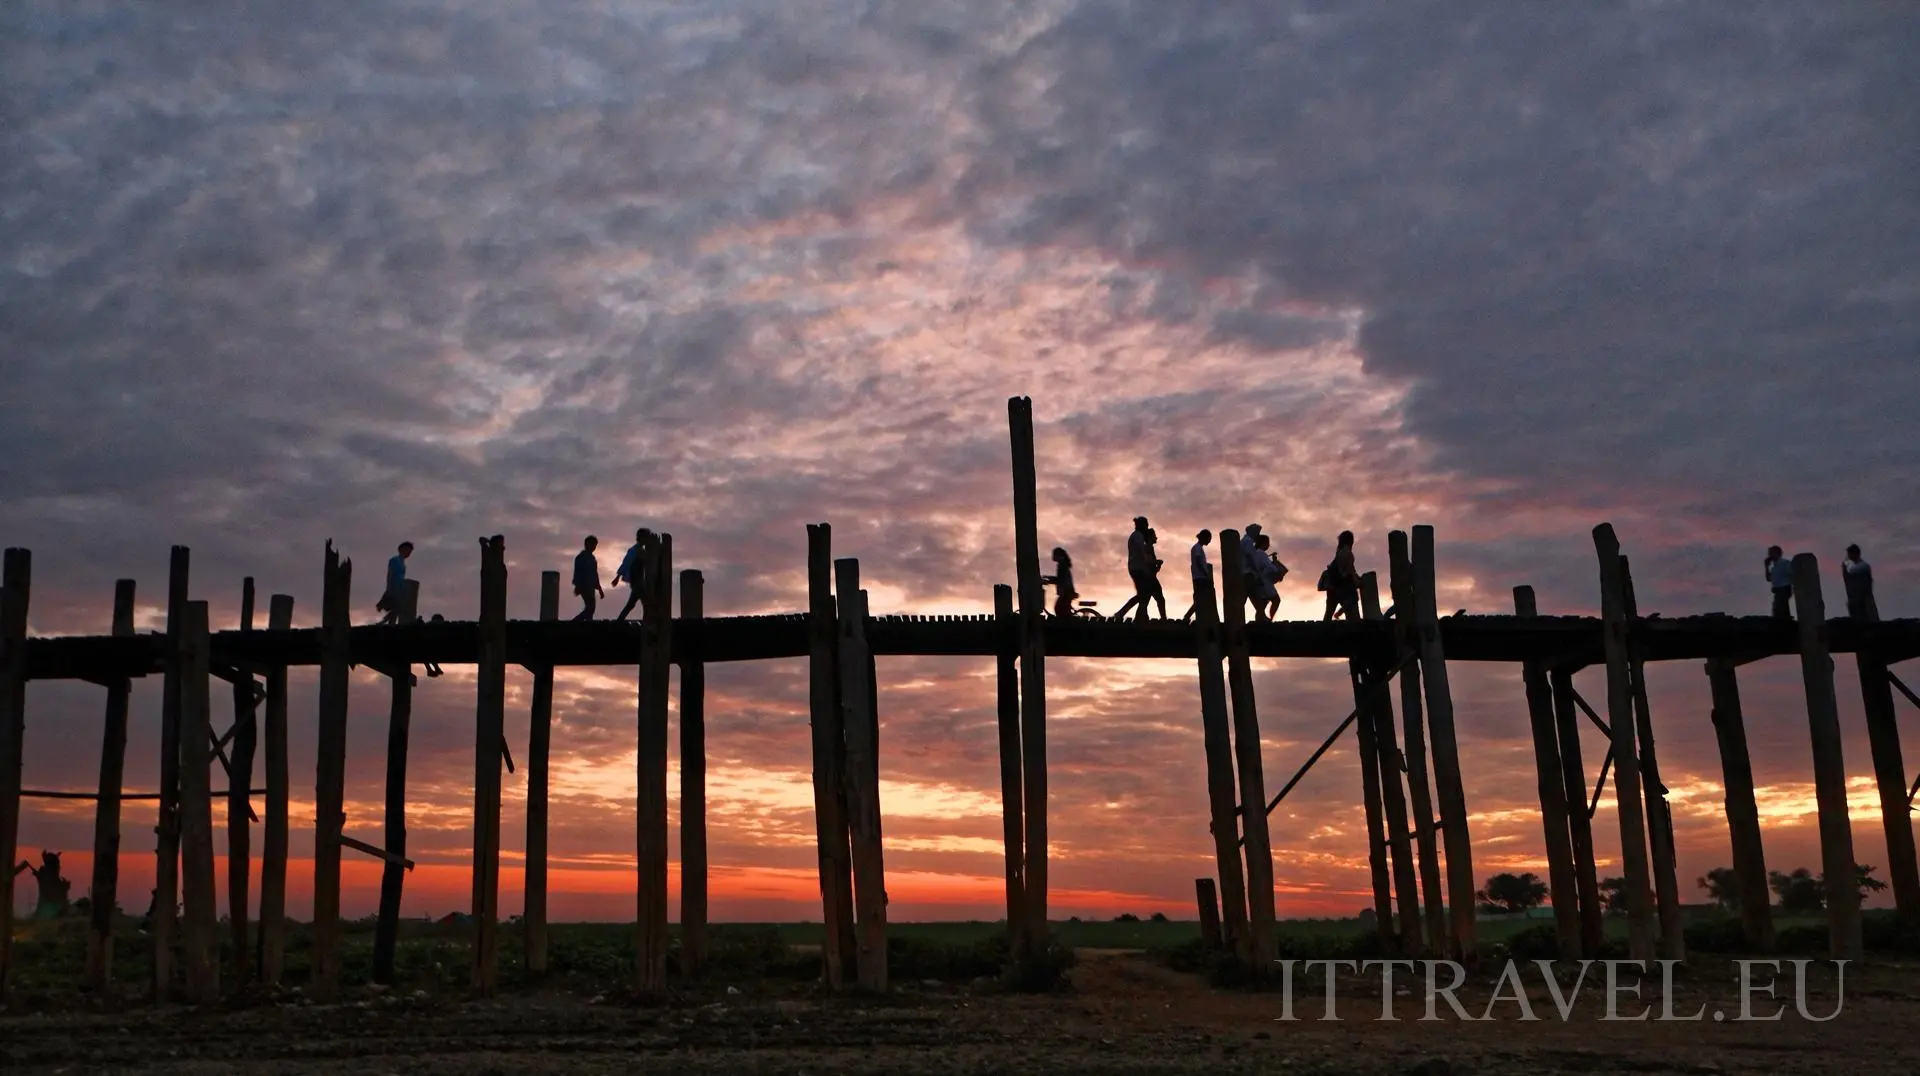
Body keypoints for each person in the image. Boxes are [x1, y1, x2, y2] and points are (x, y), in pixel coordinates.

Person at [1114, 516, 1167, 622]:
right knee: (1144, 595)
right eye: (1146, 525)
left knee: (1143, 595)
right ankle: (1126, 614)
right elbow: (1140, 553)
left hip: (1137, 568)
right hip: (1139, 569)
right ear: (1142, 525)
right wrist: (1151, 564)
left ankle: (1138, 615)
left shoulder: (1136, 536)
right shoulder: (1138, 537)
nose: (1147, 527)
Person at [612, 528, 653, 621]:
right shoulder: (634, 550)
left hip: (639, 581)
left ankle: (620, 620)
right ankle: (648, 623)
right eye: (646, 537)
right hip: (637, 581)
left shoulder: (642, 550)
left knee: (632, 604)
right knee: (647, 603)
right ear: (641, 538)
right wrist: (617, 577)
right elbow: (626, 563)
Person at [1321, 531, 1361, 621]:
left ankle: (1322, 632)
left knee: (1328, 614)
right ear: (1351, 541)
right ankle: (1339, 614)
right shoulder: (1348, 554)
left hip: (1332, 587)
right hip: (1341, 587)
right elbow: (1348, 571)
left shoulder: (1339, 552)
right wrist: (1358, 581)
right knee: (1353, 600)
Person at [376, 542, 413, 624]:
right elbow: (390, 574)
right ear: (401, 549)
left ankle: (386, 622)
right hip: (394, 588)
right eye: (407, 550)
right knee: (397, 607)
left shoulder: (403, 564)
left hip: (400, 589)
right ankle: (386, 622)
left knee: (398, 608)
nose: (409, 553)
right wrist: (388, 588)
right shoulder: (394, 560)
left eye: (410, 551)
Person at [1182, 530, 1214, 623]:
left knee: (1201, 600)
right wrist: (1205, 573)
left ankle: (1191, 617)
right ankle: (1188, 616)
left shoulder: (1198, 548)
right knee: (1202, 599)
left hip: (1199, 577)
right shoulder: (1197, 548)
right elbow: (1198, 560)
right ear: (1204, 537)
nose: (1209, 541)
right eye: (1209, 538)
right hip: (1200, 578)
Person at [1843, 544, 1879, 622]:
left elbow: (1866, 585)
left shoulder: (1863, 567)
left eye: (1850, 554)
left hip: (1864, 601)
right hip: (1855, 601)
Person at [573, 535, 604, 620]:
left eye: (595, 545)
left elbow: (595, 574)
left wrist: (599, 588)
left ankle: (588, 625)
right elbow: (578, 572)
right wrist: (578, 586)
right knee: (590, 607)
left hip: (591, 586)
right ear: (587, 544)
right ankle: (574, 623)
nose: (594, 547)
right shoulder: (581, 557)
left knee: (591, 608)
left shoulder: (593, 558)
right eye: (593, 544)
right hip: (584, 586)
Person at [1042, 547, 1077, 619]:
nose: (1052, 556)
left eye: (1054, 554)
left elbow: (1060, 579)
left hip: (1066, 592)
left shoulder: (1062, 565)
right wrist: (1048, 578)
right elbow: (1060, 578)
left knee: (1059, 609)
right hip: (1067, 591)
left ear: (1058, 555)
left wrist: (1048, 580)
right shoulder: (1062, 564)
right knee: (1062, 610)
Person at [1765, 545, 1793, 619]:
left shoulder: (1785, 563)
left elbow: (1792, 574)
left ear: (1777, 553)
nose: (1769, 555)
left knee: (1781, 609)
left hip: (1784, 589)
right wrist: (1766, 567)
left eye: (1771, 553)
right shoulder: (1774, 567)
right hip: (1778, 590)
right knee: (1778, 610)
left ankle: (1785, 624)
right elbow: (1769, 578)